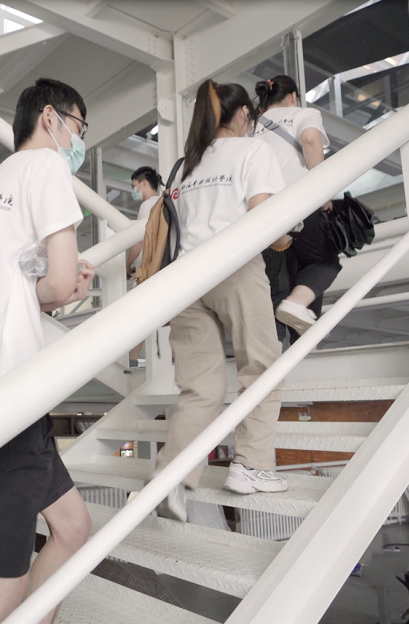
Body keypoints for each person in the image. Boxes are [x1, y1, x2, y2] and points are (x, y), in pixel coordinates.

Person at [0, 78, 95, 624]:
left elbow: (14, 288)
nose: (79, 141)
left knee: (73, 528)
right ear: (50, 118)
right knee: (1, 589)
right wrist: (66, 287)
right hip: (8, 394)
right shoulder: (47, 166)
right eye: (79, 126)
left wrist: (54, 291)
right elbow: (56, 282)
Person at [154, 80, 291, 523]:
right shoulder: (254, 151)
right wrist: (286, 237)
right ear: (244, 114)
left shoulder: (186, 165)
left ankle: (172, 477)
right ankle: (251, 465)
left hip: (186, 280)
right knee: (261, 367)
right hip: (235, 268)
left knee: (200, 387)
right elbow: (265, 219)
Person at [254, 75, 338, 337]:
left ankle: (280, 348)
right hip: (299, 204)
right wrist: (323, 189)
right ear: (293, 96)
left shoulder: (251, 126)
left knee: (278, 284)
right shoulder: (304, 113)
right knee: (324, 262)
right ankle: (298, 314)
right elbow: (310, 140)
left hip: (262, 212)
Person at [125, 166, 161, 366]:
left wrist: (128, 264)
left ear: (144, 183)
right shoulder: (164, 202)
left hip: (147, 269)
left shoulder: (147, 205)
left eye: (134, 186)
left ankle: (131, 359)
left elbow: (139, 240)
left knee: (139, 316)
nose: (134, 191)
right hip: (161, 267)